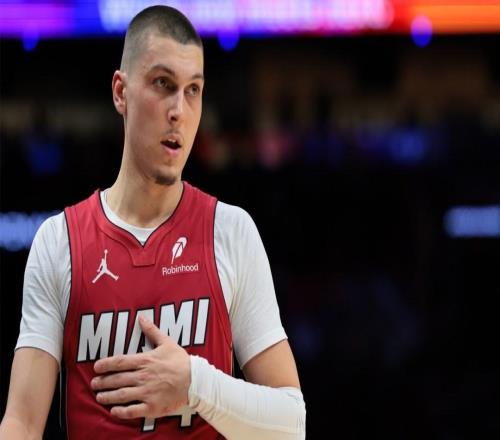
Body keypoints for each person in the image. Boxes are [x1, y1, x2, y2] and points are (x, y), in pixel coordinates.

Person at [0, 5, 306, 439]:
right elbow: (22, 424)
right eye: (163, 84)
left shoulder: (231, 231)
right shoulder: (59, 241)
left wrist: (194, 384)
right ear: (120, 92)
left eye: (193, 90)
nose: (179, 110)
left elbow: (291, 424)